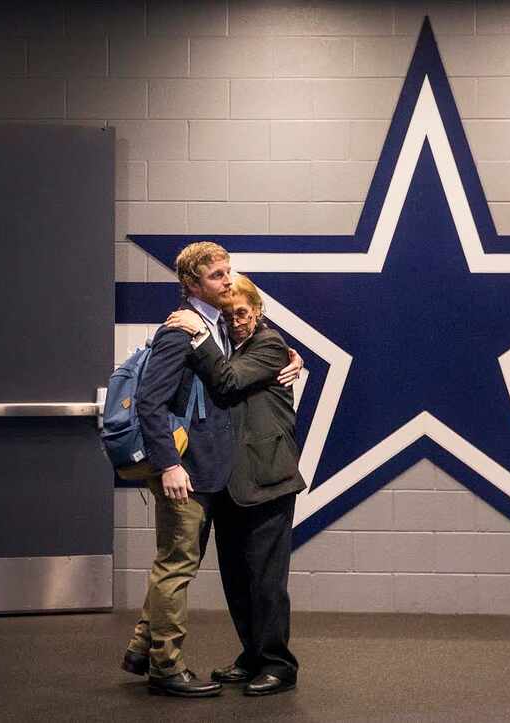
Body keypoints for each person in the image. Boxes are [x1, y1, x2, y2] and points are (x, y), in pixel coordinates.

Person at [120, 242, 302, 698]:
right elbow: (150, 402)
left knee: (219, 573)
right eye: (217, 275)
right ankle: (161, 661)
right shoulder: (183, 330)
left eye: (228, 273)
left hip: (242, 479)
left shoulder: (218, 329)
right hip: (195, 475)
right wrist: (168, 465)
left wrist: (295, 358)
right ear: (191, 283)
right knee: (184, 567)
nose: (226, 283)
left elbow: (232, 373)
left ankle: (268, 662)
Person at [165, 274, 305, 697]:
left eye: (242, 312)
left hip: (267, 481)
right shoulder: (225, 346)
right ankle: (253, 655)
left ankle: (279, 665)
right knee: (237, 580)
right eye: (226, 315)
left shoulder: (269, 345)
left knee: (266, 581)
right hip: (228, 484)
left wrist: (196, 335)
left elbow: (226, 380)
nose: (235, 321)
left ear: (257, 310)